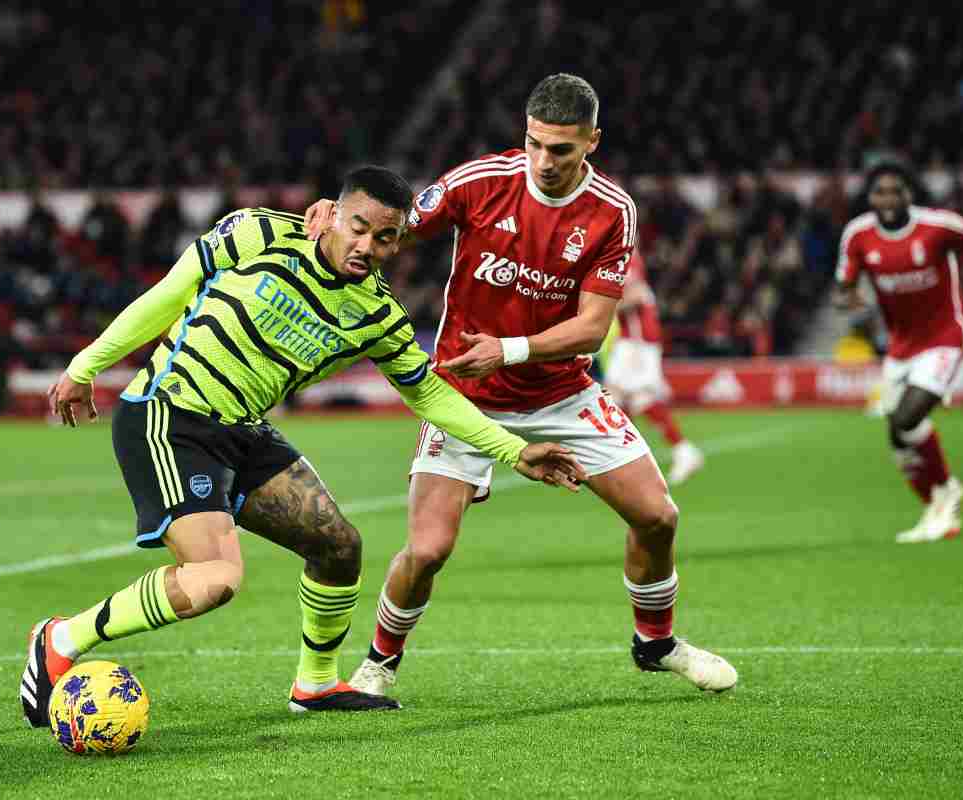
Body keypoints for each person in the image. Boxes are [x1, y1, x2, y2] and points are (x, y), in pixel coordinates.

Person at [19, 165, 585, 725]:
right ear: (333, 212)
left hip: (243, 431)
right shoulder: (253, 233)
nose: (367, 245)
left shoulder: (377, 315)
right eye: (358, 226)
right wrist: (86, 365)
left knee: (339, 546)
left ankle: (314, 685)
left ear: (398, 242)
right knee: (216, 579)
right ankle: (60, 638)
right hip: (170, 415)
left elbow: (430, 396)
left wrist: (514, 450)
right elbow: (168, 295)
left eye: (384, 237)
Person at [305, 75, 736, 698]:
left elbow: (591, 329)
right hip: (462, 396)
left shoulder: (613, 212)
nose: (544, 160)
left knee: (658, 516)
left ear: (592, 141)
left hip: (561, 393)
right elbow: (390, 231)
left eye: (561, 149)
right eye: (534, 143)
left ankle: (656, 643)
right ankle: (378, 665)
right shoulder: (478, 182)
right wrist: (334, 219)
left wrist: (507, 350)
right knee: (426, 551)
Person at [835, 162, 963, 543]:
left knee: (907, 417)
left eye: (897, 191)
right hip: (901, 347)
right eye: (881, 192)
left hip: (947, 337)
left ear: (910, 194)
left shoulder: (938, 227)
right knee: (898, 436)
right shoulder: (858, 235)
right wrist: (849, 299)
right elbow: (841, 287)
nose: (889, 199)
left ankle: (946, 493)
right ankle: (938, 504)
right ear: (870, 197)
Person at [601, 248, 705, 484]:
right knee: (625, 399)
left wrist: (601, 309)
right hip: (634, 339)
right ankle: (628, 460)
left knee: (624, 398)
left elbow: (636, 295)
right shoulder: (616, 254)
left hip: (637, 341)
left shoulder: (627, 254)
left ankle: (679, 450)